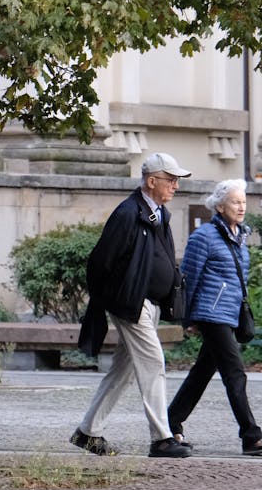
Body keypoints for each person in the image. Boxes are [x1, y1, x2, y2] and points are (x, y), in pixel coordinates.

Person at [71, 151, 192, 459]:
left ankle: (88, 431)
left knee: (123, 371)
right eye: (171, 180)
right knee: (153, 363)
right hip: (132, 304)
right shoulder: (128, 213)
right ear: (152, 181)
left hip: (146, 303)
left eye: (177, 180)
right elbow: (100, 262)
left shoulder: (158, 213)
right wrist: (121, 298)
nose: (176, 186)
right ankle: (162, 438)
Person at [167, 178, 262, 457]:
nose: (241, 207)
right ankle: (251, 436)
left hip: (229, 313)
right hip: (210, 312)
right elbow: (189, 278)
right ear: (219, 206)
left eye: (243, 202)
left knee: (202, 372)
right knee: (235, 372)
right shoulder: (203, 236)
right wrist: (188, 318)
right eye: (235, 202)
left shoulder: (240, 235)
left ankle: (169, 423)